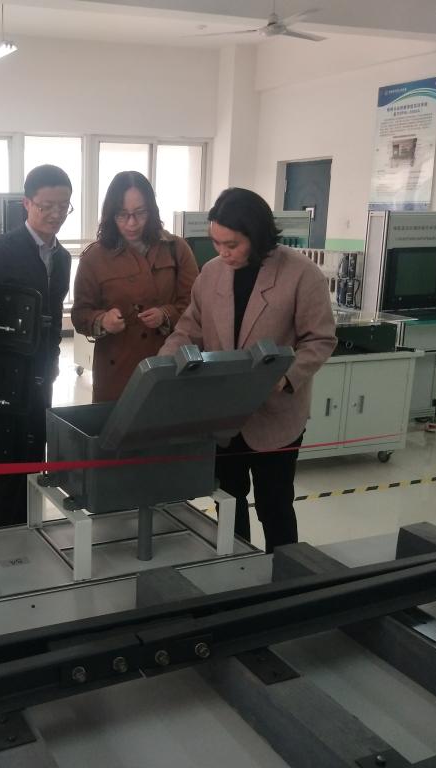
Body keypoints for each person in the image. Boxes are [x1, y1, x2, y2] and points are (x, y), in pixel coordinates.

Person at [159, 187, 336, 552]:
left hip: (276, 415)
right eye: (216, 243)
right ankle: (234, 567)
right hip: (225, 416)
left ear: (257, 236)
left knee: (275, 504)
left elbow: (320, 339)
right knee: (228, 500)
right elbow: (189, 329)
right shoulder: (211, 274)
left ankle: (285, 573)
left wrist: (285, 377)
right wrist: (163, 367)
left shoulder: (301, 274)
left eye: (232, 244)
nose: (223, 252)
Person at [0, 165, 73, 528]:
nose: (56, 214)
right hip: (5, 378)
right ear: (26, 203)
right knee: (7, 463)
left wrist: (53, 362)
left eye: (63, 206)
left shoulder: (62, 258)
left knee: (33, 457)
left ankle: (27, 536)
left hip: (41, 375)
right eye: (47, 206)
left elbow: (54, 317)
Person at [72, 171, 199, 402]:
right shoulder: (95, 257)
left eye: (140, 213)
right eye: (122, 215)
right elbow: (80, 314)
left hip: (168, 362)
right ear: (111, 214)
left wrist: (166, 315)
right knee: (118, 422)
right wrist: (102, 320)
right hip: (117, 369)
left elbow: (195, 307)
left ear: (152, 210)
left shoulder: (176, 248)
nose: (132, 223)